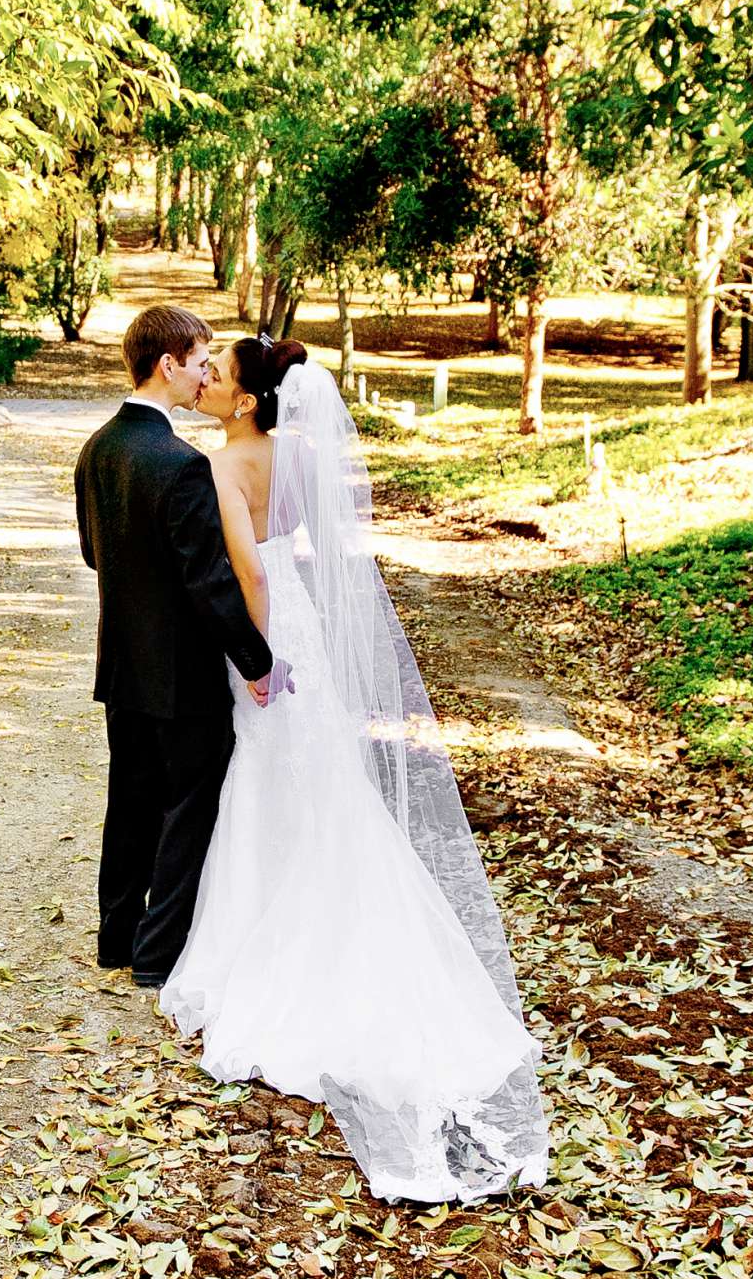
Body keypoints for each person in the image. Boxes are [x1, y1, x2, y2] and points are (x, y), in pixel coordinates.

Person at [159, 337, 549, 1204]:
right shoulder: (297, 450)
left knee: (268, 774)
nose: (210, 380)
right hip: (308, 629)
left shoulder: (227, 465)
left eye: (219, 374)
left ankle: (273, 935)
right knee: (321, 776)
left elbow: (251, 568)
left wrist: (256, 659)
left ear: (249, 401)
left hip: (268, 636)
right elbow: (302, 542)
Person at [73, 306, 292, 988]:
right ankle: (158, 952)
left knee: (130, 800)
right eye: (200, 361)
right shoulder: (183, 463)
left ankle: (116, 936)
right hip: (185, 675)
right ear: (168, 363)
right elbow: (209, 582)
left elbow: (91, 553)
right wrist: (258, 661)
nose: (205, 376)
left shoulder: (97, 449)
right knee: (187, 807)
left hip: (123, 665)